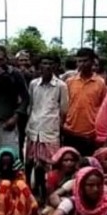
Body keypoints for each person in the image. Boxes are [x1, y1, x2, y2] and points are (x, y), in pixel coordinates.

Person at [25, 54, 68, 201]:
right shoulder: (33, 84)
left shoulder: (61, 86)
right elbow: (30, 106)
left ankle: (48, 193)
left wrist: (58, 128)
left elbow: (63, 110)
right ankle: (31, 191)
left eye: (50, 64)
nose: (47, 67)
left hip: (50, 131)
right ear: (39, 66)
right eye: (44, 63)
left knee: (49, 164)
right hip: (33, 129)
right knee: (30, 162)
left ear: (55, 66)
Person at [62, 48, 107, 156]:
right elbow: (64, 105)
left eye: (85, 61)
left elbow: (103, 108)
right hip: (70, 132)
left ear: (92, 62)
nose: (82, 64)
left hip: (90, 133)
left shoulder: (101, 83)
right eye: (79, 61)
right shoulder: (69, 82)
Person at [0, 147, 37, 215]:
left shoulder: (19, 176)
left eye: (8, 163)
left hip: (17, 212)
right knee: (5, 184)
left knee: (20, 184)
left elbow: (25, 195)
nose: (5, 167)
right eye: (3, 163)